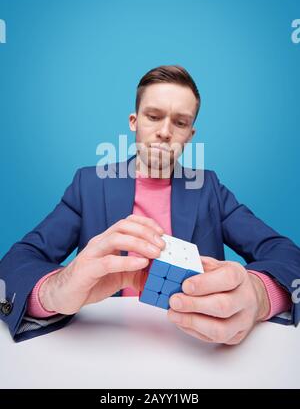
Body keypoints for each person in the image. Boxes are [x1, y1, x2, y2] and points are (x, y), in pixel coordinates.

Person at [0, 65, 299, 344]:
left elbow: (287, 255)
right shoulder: (89, 184)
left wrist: (259, 296)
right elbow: (17, 262)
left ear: (190, 134)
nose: (165, 131)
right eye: (154, 116)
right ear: (134, 121)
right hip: (106, 345)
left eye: (180, 122)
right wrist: (53, 292)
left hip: (195, 347)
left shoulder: (209, 189)